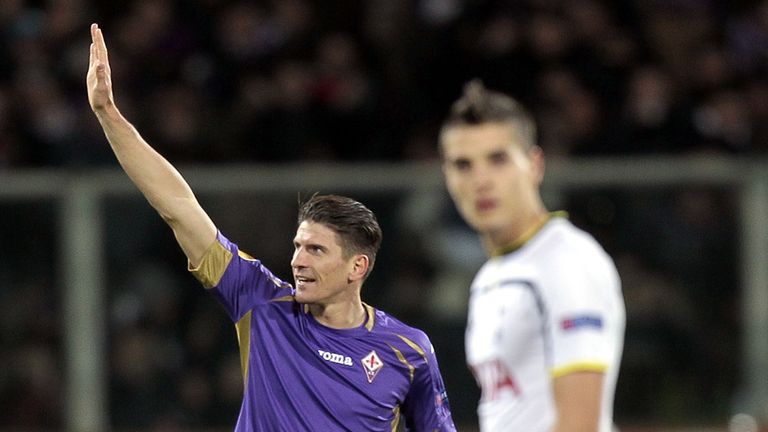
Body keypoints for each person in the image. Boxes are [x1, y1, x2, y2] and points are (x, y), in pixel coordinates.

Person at [86, 23, 456, 432]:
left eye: (316, 250)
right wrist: (108, 116)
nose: (297, 260)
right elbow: (178, 207)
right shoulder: (261, 304)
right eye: (298, 246)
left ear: (358, 267)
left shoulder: (407, 352)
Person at [438, 79, 625, 432]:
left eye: (498, 159)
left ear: (535, 165)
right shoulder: (491, 276)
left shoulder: (568, 263)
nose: (481, 180)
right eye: (463, 165)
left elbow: (579, 425)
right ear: (447, 177)